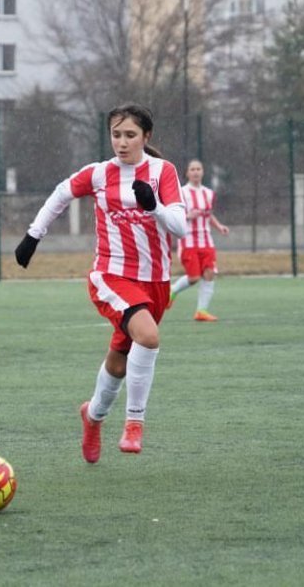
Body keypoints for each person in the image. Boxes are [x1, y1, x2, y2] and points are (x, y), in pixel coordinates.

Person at [14, 103, 186, 464]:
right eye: (116, 134)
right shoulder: (98, 173)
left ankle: (92, 417)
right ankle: (134, 424)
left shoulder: (162, 172)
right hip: (111, 275)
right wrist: (33, 235)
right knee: (149, 337)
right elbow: (61, 193)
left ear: (146, 136)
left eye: (130, 135)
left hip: (156, 282)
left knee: (120, 360)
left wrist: (153, 206)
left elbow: (179, 226)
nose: (122, 143)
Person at [169, 158, 230, 321]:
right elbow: (173, 214)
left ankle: (201, 311)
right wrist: (188, 216)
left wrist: (219, 226)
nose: (196, 172)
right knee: (194, 278)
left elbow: (208, 215)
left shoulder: (208, 193)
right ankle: (173, 290)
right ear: (187, 173)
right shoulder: (181, 192)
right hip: (188, 241)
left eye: (198, 169)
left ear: (202, 172)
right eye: (192, 169)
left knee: (209, 274)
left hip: (206, 241)